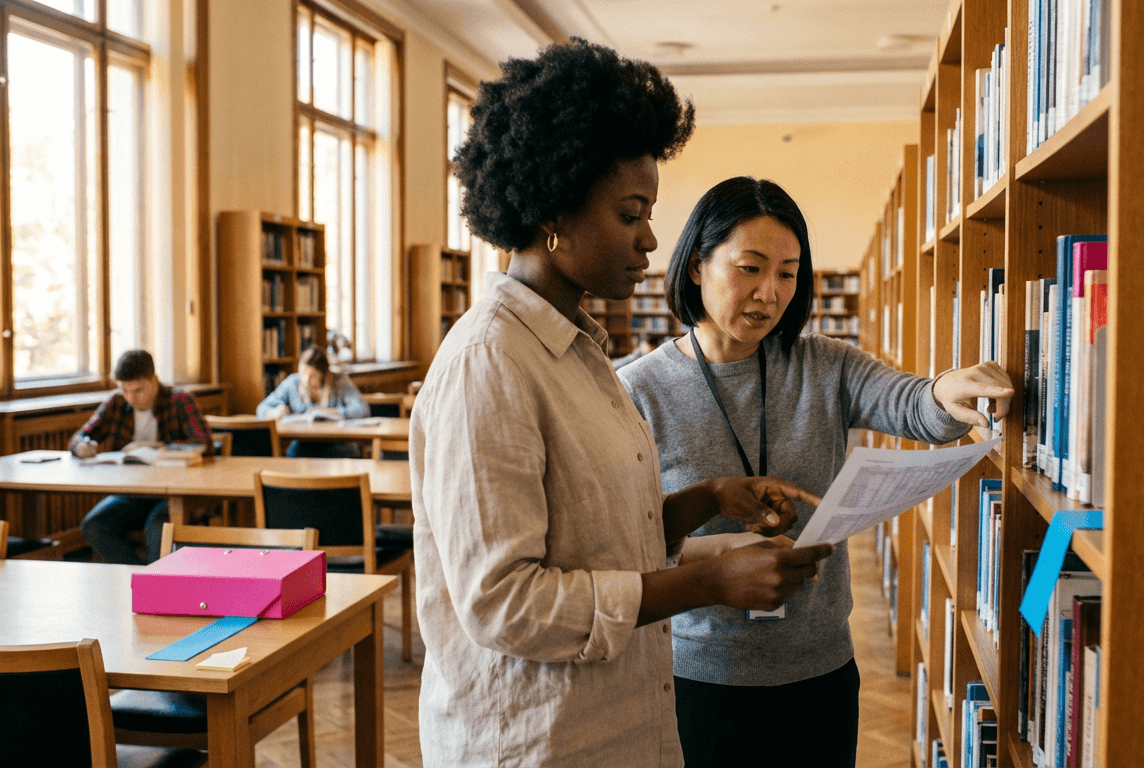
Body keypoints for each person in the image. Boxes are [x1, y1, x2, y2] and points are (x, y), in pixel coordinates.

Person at [410, 40, 836, 767]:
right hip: (536, 739)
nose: (650, 240)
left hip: (614, 723)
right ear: (554, 210)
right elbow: (503, 602)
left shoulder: (579, 349)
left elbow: (598, 539)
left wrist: (707, 499)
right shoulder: (491, 363)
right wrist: (705, 581)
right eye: (630, 213)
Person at [618, 176, 1015, 767]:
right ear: (697, 265)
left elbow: (910, 403)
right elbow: (625, 545)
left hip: (821, 668)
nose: (768, 293)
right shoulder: (637, 391)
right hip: (694, 675)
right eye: (750, 268)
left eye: (787, 272)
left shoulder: (824, 362)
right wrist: (711, 557)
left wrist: (946, 390)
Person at [70, 349, 211, 564]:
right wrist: (82, 446)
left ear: (154, 381)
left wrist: (157, 447)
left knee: (158, 527)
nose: (131, 398)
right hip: (132, 492)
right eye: (125, 390)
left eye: (138, 390)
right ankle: (139, 577)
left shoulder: (179, 400)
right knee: (93, 525)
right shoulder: (116, 403)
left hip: (174, 493)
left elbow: (204, 443)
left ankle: (152, 589)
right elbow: (80, 436)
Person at [256, 344, 368, 457]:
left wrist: (333, 412)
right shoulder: (293, 383)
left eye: (312, 376)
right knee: (294, 452)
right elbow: (262, 408)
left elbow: (362, 409)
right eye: (302, 373)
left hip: (338, 442)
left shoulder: (339, 382)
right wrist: (275, 412)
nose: (305, 380)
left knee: (345, 452)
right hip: (304, 443)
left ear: (323, 374)